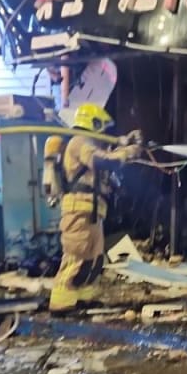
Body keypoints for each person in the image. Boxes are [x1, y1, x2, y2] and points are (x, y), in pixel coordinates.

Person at [48, 103, 144, 314]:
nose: (106, 133)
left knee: (94, 258)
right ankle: (61, 302)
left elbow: (107, 155)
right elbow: (101, 161)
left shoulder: (89, 143)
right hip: (78, 209)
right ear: (94, 123)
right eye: (104, 128)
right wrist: (127, 152)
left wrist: (126, 145)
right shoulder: (79, 142)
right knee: (77, 255)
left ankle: (83, 297)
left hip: (92, 210)